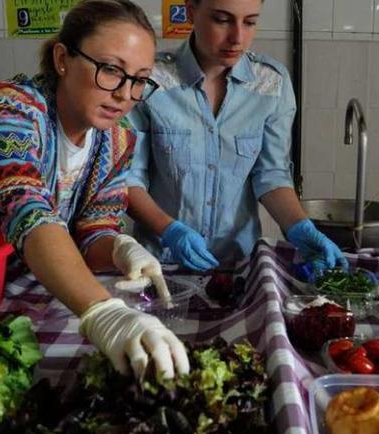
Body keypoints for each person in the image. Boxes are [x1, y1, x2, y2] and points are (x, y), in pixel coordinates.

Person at [0, 0, 188, 380]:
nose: (124, 94)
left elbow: (93, 230)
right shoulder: (5, 115)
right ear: (62, 59)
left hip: (45, 303)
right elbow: (28, 212)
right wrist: (103, 311)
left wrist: (119, 248)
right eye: (111, 71)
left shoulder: (115, 141)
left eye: (139, 80)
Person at [126, 0, 347, 272]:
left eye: (250, 22)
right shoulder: (150, 82)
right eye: (222, 20)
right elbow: (127, 178)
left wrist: (300, 228)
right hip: (160, 263)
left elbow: (271, 174)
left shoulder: (270, 85)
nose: (237, 38)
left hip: (238, 265)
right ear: (191, 11)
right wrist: (170, 230)